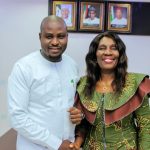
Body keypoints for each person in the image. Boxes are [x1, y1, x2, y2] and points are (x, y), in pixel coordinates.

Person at [7, 15, 83, 150]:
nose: (55, 42)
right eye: (49, 36)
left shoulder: (72, 65)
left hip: (68, 144)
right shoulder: (24, 67)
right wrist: (56, 143)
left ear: (67, 36)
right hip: (33, 147)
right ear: (40, 37)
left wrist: (79, 114)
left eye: (61, 36)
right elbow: (17, 117)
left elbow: (72, 103)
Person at [69, 31, 150, 149]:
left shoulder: (136, 84)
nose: (108, 52)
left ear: (119, 54)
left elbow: (146, 128)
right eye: (102, 48)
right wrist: (77, 143)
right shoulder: (83, 84)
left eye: (114, 48)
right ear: (95, 55)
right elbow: (83, 125)